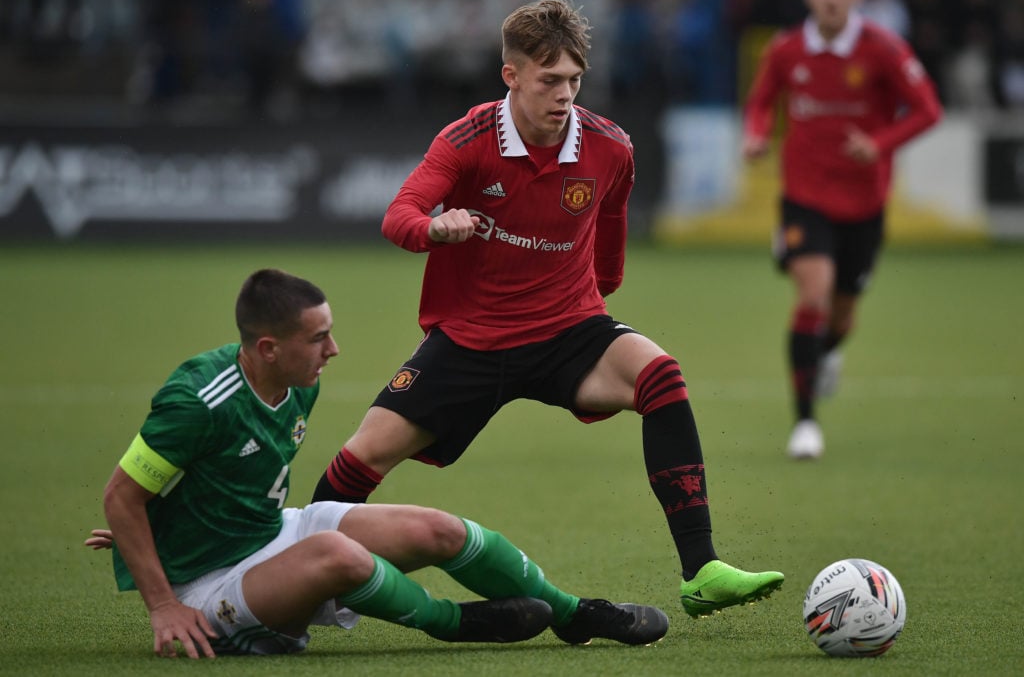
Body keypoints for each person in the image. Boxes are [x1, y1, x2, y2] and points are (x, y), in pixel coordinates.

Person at [309, 0, 784, 617]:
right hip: (471, 342)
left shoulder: (610, 147)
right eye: (550, 80)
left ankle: (701, 570)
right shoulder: (467, 139)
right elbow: (398, 217)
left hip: (567, 331)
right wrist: (437, 228)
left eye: (574, 80)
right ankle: (305, 575)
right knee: (363, 456)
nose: (565, 95)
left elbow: (611, 224)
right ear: (511, 76)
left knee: (660, 375)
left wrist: (597, 296)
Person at [86, 268, 669, 659]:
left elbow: (214, 477)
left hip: (262, 536)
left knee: (437, 529)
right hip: (203, 587)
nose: (333, 350)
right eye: (318, 338)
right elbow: (121, 494)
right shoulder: (198, 400)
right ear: (268, 348)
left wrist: (169, 521)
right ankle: (454, 623)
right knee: (338, 553)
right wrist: (163, 603)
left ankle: (574, 614)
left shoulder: (297, 378)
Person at [741, 0, 942, 459]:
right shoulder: (786, 50)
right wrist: (757, 135)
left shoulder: (883, 49)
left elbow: (927, 111)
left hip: (864, 204)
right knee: (813, 293)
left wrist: (878, 144)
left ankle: (824, 354)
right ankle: (805, 424)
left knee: (842, 316)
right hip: (805, 197)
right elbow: (761, 103)